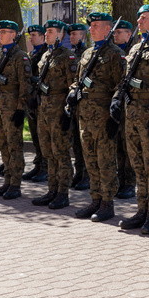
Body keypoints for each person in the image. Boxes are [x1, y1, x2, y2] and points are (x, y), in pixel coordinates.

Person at [111, 5, 149, 235]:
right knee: (138, 166)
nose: (139, 20)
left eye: (144, 17)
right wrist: (117, 99)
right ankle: (141, 209)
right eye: (138, 16)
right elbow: (124, 80)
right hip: (132, 115)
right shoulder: (136, 48)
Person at [69, 13, 126, 222]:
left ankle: (107, 203)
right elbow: (78, 80)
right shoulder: (87, 54)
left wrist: (114, 116)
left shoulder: (115, 54)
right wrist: (73, 91)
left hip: (103, 117)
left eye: (95, 26)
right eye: (90, 26)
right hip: (85, 116)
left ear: (107, 29)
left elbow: (121, 85)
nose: (91, 29)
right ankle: (95, 199)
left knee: (105, 161)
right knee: (90, 160)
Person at [31, 20, 76, 209]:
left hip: (58, 110)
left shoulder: (68, 56)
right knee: (48, 153)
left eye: (50, 31)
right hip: (44, 110)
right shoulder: (45, 56)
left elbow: (72, 84)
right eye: (46, 31)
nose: (46, 34)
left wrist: (68, 112)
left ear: (60, 34)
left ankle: (63, 193)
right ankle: (52, 189)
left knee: (61, 153)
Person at [0, 21, 32, 200]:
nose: (0, 35)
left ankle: (15, 184)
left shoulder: (20, 57)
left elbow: (25, 84)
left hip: (12, 107)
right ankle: (7, 180)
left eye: (4, 32)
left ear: (14, 35)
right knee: (3, 144)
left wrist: (21, 109)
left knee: (14, 145)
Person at [112, 19, 137, 199]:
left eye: (119, 32)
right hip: (115, 106)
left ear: (129, 34)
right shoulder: (113, 53)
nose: (115, 35)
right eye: (114, 32)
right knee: (118, 148)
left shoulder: (134, 52)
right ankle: (121, 181)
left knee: (129, 148)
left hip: (129, 107)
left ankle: (129, 183)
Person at [22, 25, 49, 182]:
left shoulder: (44, 54)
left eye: (34, 35)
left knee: (42, 136)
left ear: (41, 37)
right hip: (31, 99)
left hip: (40, 100)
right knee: (35, 135)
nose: (31, 38)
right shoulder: (31, 54)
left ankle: (45, 167)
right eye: (30, 35)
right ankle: (38, 164)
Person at [68, 22, 90, 191]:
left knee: (84, 143)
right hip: (74, 102)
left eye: (75, 34)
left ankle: (86, 175)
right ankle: (79, 172)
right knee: (76, 140)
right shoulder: (73, 53)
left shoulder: (87, 54)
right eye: (70, 34)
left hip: (85, 103)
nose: (71, 37)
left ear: (83, 36)